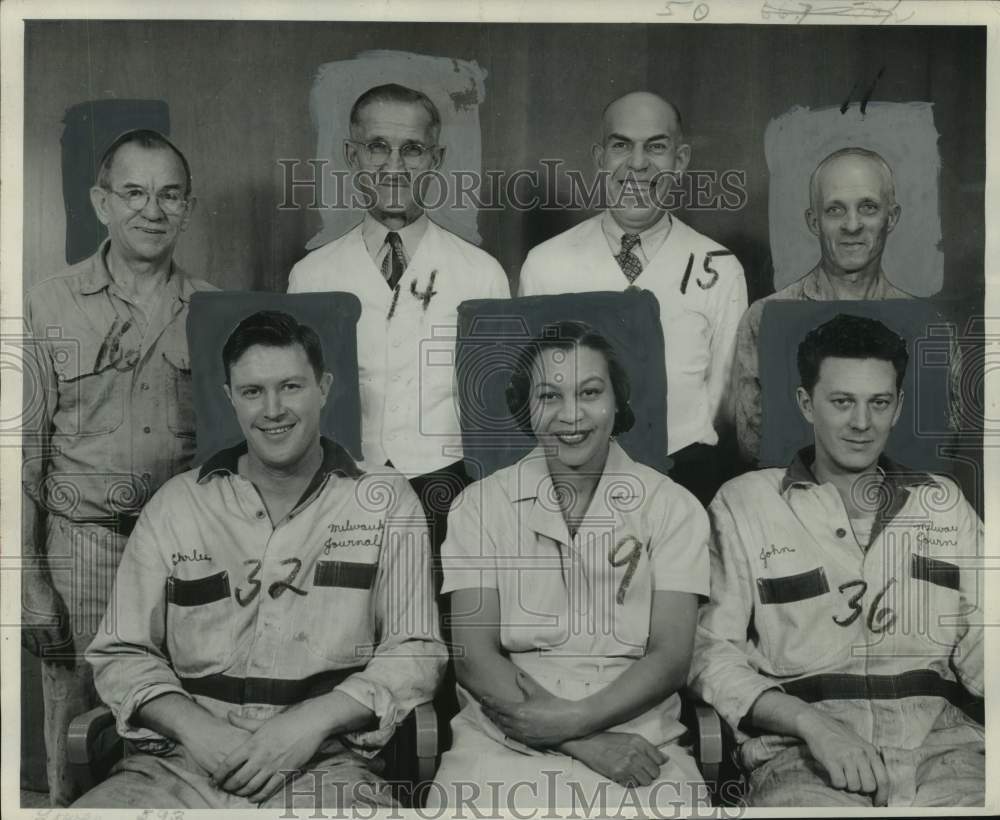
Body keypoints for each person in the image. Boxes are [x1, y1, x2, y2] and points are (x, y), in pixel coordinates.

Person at [73, 310, 445, 810]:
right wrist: (198, 731)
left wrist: (308, 725)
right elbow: (122, 652)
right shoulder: (178, 504)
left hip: (325, 770)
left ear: (324, 388)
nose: (273, 409)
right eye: (252, 392)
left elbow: (416, 650)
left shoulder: (384, 501)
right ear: (230, 398)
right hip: (176, 767)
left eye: (290, 386)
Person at [689, 314, 984, 807]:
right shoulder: (745, 505)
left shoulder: (943, 504)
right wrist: (810, 723)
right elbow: (707, 652)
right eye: (842, 402)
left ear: (898, 406)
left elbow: (987, 644)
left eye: (879, 403)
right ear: (807, 403)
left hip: (946, 753)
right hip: (803, 759)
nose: (862, 423)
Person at [429, 321, 710, 811]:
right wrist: (580, 740)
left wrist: (576, 721)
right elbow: (474, 656)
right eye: (549, 396)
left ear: (617, 401)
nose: (571, 416)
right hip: (504, 733)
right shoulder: (478, 506)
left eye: (590, 392)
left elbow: (670, 657)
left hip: (639, 735)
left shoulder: (673, 507)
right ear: (526, 406)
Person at [20, 129, 215, 805]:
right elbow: (19, 452)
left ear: (188, 206)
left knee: (178, 726)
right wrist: (26, 578)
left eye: (168, 194)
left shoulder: (216, 309)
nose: (151, 210)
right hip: (84, 551)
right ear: (102, 202)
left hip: (188, 557)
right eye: (133, 192)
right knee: (73, 731)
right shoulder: (48, 304)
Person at [287, 83, 510, 577]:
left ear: (436, 159)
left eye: (412, 149)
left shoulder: (482, 273)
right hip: (343, 485)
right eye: (377, 147)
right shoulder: (311, 276)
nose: (394, 166)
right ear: (351, 156)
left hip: (448, 487)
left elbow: (497, 409)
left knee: (439, 629)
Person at [518, 91, 747, 506]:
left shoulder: (720, 267)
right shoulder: (545, 264)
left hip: (685, 479)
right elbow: (536, 394)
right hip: (573, 482)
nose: (638, 164)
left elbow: (723, 405)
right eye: (621, 145)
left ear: (680, 161)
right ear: (599, 158)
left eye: (656, 147)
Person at [731, 146, 946, 464]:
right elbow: (753, 446)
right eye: (835, 210)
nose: (852, 224)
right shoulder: (764, 318)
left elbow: (941, 440)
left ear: (892, 217)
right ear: (813, 221)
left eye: (868, 207)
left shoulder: (931, 327)